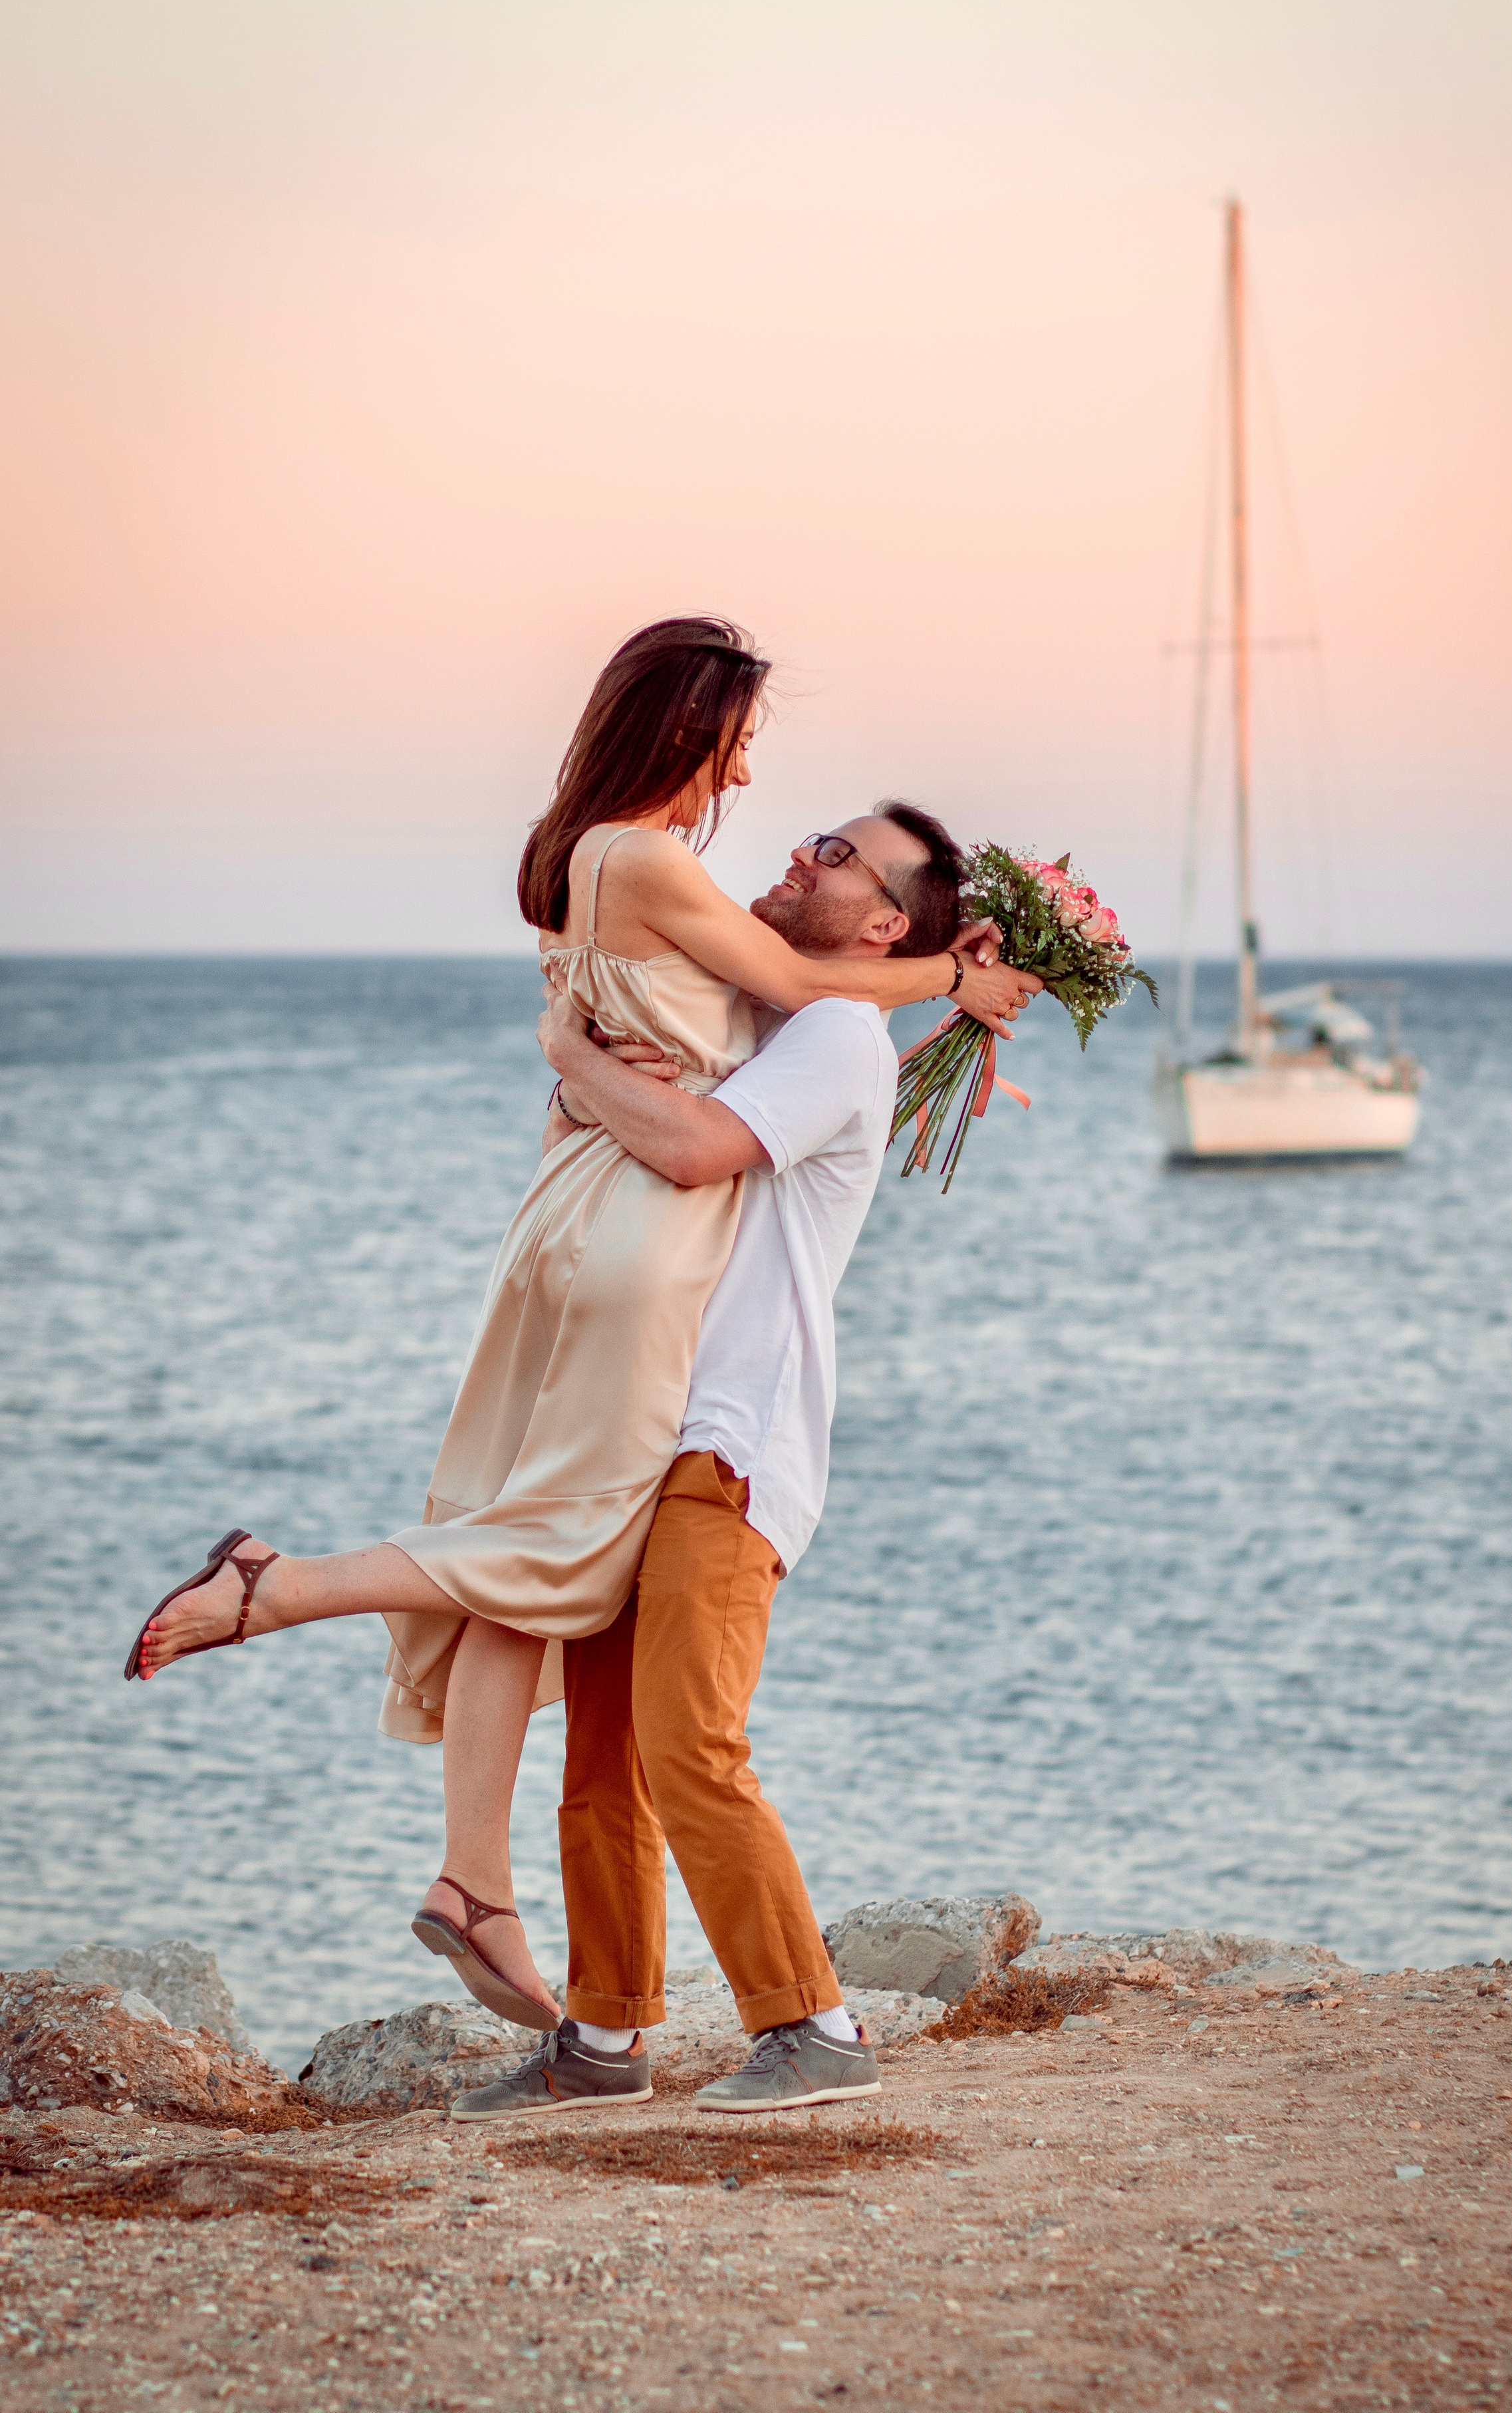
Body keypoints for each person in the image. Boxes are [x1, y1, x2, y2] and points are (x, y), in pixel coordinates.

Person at [124, 619, 1035, 2041]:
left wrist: (568, 1054)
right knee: (547, 1568)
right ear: (685, 731)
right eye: (743, 746)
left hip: (641, 1311)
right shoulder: (681, 891)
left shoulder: (636, 891)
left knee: (554, 1587)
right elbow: (772, 1032)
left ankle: (554, 1935)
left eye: (835, 852)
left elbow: (772, 1062)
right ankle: (288, 1600)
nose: (772, 810)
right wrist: (949, 983)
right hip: (637, 1281)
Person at [449, 800, 1004, 2122]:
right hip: (632, 1424)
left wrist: (567, 1057)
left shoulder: (831, 1037)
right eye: (817, 831)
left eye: (835, 855)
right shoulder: (771, 1007)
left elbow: (693, 1149)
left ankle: (813, 2024)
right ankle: (601, 2039)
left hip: (731, 1436)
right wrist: (582, 1047)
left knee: (687, 1739)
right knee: (599, 1752)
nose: (800, 850)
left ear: (877, 921)